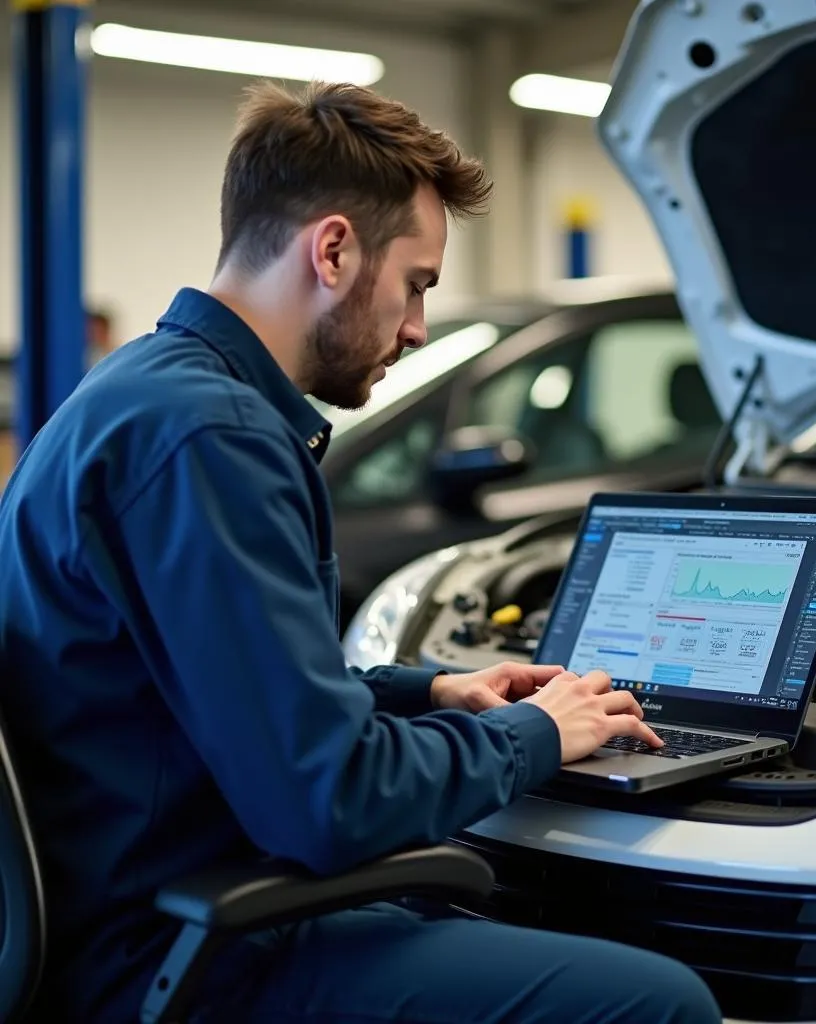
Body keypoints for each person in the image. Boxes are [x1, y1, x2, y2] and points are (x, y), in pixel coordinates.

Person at [0, 80, 721, 1024]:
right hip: (180, 956)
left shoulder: (144, 391)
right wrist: (538, 734)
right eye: (417, 283)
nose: (419, 326)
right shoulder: (212, 438)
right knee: (658, 1001)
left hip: (149, 896)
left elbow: (201, 685)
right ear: (334, 249)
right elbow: (328, 800)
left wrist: (426, 693)